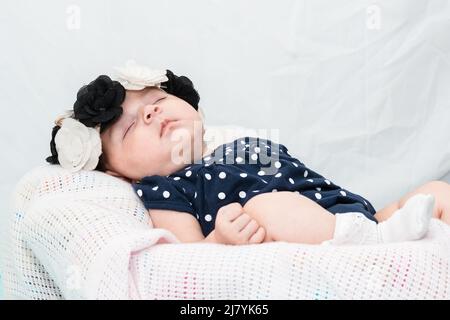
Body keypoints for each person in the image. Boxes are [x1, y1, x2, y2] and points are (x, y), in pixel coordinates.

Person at [46, 61, 450, 246]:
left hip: (361, 215)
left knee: (437, 190)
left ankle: (381, 234)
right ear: (118, 172)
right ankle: (376, 244)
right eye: (131, 125)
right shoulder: (163, 189)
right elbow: (188, 257)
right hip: (320, 241)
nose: (150, 110)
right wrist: (222, 237)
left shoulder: (237, 145)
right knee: (270, 207)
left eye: (155, 98)